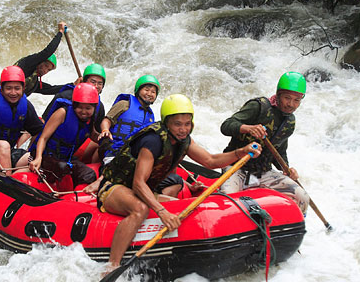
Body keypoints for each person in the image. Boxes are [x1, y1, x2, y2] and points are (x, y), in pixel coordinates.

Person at [98, 94, 261, 271]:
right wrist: (161, 212)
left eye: (187, 124)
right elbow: (138, 183)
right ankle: (112, 265)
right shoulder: (152, 141)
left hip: (141, 191)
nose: (183, 129)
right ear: (167, 123)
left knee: (179, 208)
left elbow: (210, 160)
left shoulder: (184, 140)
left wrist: (241, 152)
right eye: (177, 124)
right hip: (114, 187)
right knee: (140, 209)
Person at [85, 75, 199, 196]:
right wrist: (105, 130)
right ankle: (101, 181)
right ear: (138, 90)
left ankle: (158, 196)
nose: (149, 93)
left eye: (153, 92)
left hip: (134, 154)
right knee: (123, 164)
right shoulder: (125, 104)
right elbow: (107, 120)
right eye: (146, 89)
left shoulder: (151, 117)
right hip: (115, 150)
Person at [219, 71, 310, 215]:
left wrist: (286, 169)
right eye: (287, 98)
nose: (291, 104)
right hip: (237, 167)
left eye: (296, 100)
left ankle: (286, 230)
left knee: (302, 196)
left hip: (263, 171)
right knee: (229, 202)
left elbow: (279, 151)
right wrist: (248, 128)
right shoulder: (258, 106)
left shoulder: (290, 121)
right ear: (278, 95)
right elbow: (226, 126)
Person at [24, 83, 99, 188]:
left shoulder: (90, 120)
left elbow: (93, 135)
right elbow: (43, 138)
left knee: (89, 174)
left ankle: (75, 198)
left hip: (66, 159)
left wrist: (105, 139)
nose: (83, 112)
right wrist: (38, 157)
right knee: (62, 167)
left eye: (88, 108)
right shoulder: (62, 112)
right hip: (46, 157)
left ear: (94, 108)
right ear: (74, 105)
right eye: (80, 107)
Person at [41, 63, 108, 161]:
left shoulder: (99, 107)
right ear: (84, 81)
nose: (96, 86)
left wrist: (106, 137)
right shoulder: (64, 96)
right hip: (51, 148)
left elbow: (94, 133)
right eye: (93, 82)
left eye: (100, 83)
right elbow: (44, 123)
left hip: (70, 151)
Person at [14, 21, 80, 97]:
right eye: (45, 65)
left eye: (48, 70)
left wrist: (73, 85)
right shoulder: (27, 63)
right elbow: (47, 52)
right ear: (40, 61)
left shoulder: (34, 83)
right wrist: (60, 32)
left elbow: (51, 89)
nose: (45, 71)